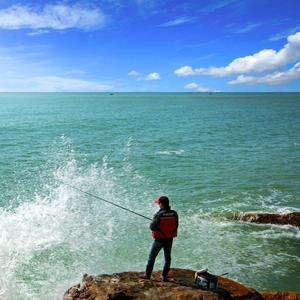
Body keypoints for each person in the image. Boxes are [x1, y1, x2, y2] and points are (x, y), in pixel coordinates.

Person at [142, 196, 179, 281]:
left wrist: (155, 223)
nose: (158, 205)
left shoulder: (158, 214)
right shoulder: (174, 213)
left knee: (152, 257)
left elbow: (152, 227)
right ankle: (164, 276)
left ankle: (147, 275)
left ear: (161, 204)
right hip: (169, 239)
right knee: (167, 258)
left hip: (159, 240)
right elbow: (176, 225)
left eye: (159, 203)